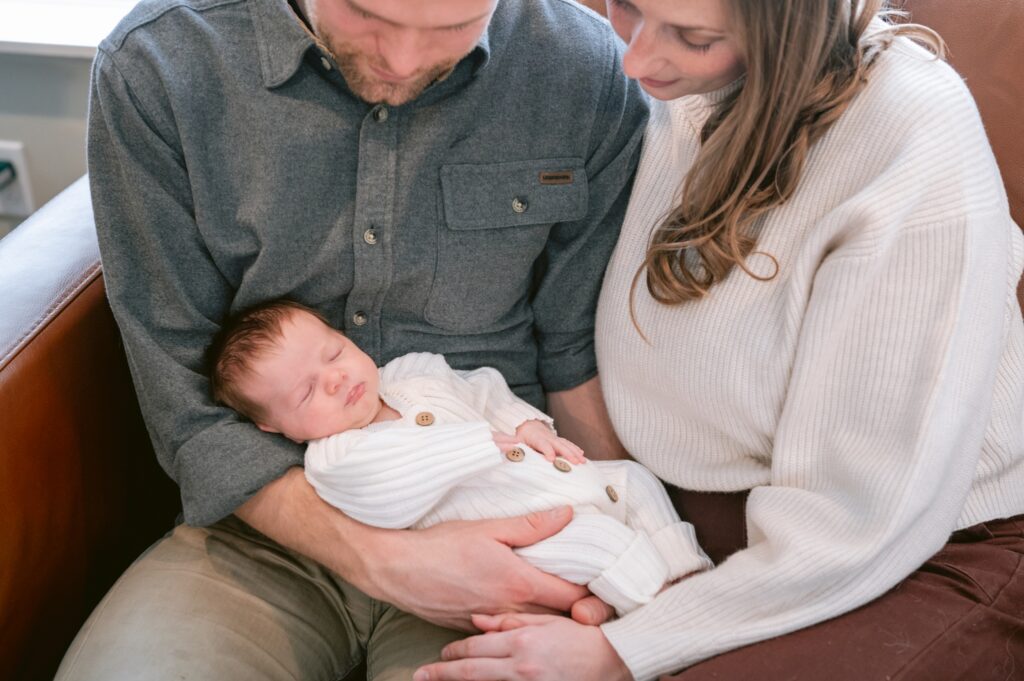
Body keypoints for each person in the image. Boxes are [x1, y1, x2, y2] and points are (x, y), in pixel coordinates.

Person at [415, 1, 1024, 680]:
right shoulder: (676, 89)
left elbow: (866, 517)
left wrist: (628, 649)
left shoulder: (912, 134)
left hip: (915, 549)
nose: (636, 60)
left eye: (695, 38)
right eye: (626, 7)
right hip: (695, 533)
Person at [56, 0, 647, 678]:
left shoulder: (585, 70)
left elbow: (574, 352)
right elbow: (182, 395)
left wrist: (617, 563)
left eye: (452, 30)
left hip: (509, 537)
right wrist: (388, 560)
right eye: (367, 14)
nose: (401, 61)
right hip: (264, 531)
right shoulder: (159, 64)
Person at [207, 299, 713, 615]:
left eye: (334, 352)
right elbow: (389, 487)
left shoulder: (411, 372)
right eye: (306, 393)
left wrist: (524, 423)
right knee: (605, 544)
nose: (336, 378)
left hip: (564, 482)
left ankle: (693, 578)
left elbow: (482, 389)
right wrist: (473, 444)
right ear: (273, 427)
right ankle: (665, 623)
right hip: (516, 540)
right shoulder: (334, 460)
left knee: (636, 480)